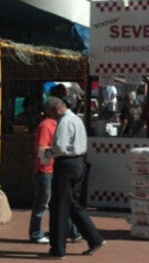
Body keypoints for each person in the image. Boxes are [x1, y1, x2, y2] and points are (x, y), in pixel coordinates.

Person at [45, 97, 105, 259]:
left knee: (59, 206)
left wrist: (48, 153)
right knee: (73, 204)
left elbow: (60, 147)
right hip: (78, 162)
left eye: (49, 112)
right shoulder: (77, 120)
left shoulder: (64, 122)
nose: (49, 115)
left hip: (66, 164)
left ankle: (58, 249)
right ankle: (94, 238)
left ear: (56, 109)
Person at [28, 100, 80, 244]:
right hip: (46, 170)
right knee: (43, 202)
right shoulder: (46, 125)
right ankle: (35, 233)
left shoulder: (60, 124)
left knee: (61, 201)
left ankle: (73, 231)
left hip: (55, 168)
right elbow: (42, 148)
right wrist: (47, 168)